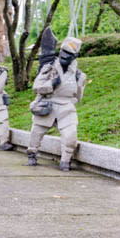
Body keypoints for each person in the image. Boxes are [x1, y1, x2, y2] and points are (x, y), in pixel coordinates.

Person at [27, 37, 85, 170]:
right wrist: (52, 84)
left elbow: (78, 96)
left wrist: (68, 103)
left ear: (75, 56)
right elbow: (36, 87)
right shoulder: (48, 68)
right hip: (48, 104)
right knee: (36, 133)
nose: (64, 57)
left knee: (70, 136)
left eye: (69, 55)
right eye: (63, 52)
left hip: (66, 108)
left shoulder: (79, 75)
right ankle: (32, 154)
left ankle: (65, 160)